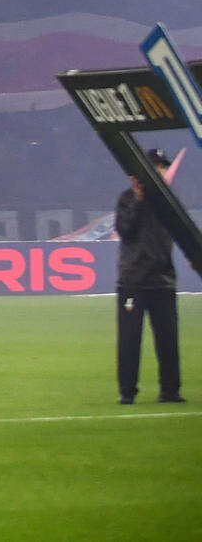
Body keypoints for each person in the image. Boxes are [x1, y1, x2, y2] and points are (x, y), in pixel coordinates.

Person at [116, 164, 184, 405]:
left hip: (162, 281)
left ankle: (170, 391)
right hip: (132, 281)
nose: (163, 173)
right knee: (129, 339)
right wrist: (138, 199)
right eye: (158, 169)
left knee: (168, 339)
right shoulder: (127, 198)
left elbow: (181, 231)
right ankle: (127, 392)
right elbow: (124, 230)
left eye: (165, 169)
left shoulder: (169, 201)